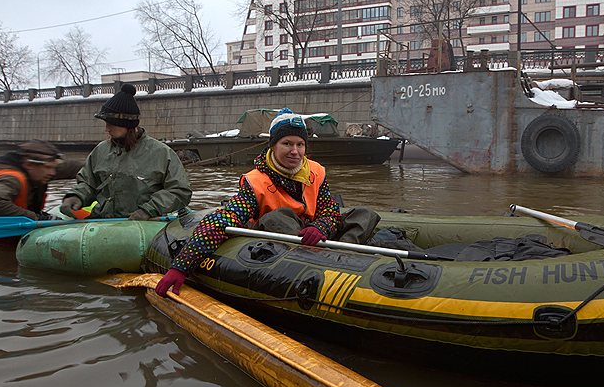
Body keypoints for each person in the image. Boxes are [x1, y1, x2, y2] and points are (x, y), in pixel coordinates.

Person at [155, 108, 373, 297]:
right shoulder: (256, 181)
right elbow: (224, 219)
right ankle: (320, 262)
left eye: (300, 144)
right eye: (287, 143)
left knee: (364, 214)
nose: (295, 151)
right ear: (273, 146)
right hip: (280, 243)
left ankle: (349, 262)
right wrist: (181, 267)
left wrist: (320, 226)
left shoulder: (316, 172)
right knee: (281, 215)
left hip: (313, 236)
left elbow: (330, 211)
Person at [60, 83, 191, 220]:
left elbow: (179, 191)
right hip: (102, 222)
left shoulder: (161, 153)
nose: (107, 129)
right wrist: (76, 196)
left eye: (110, 123)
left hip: (144, 224)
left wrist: (148, 210)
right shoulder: (100, 151)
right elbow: (88, 184)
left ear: (126, 125)